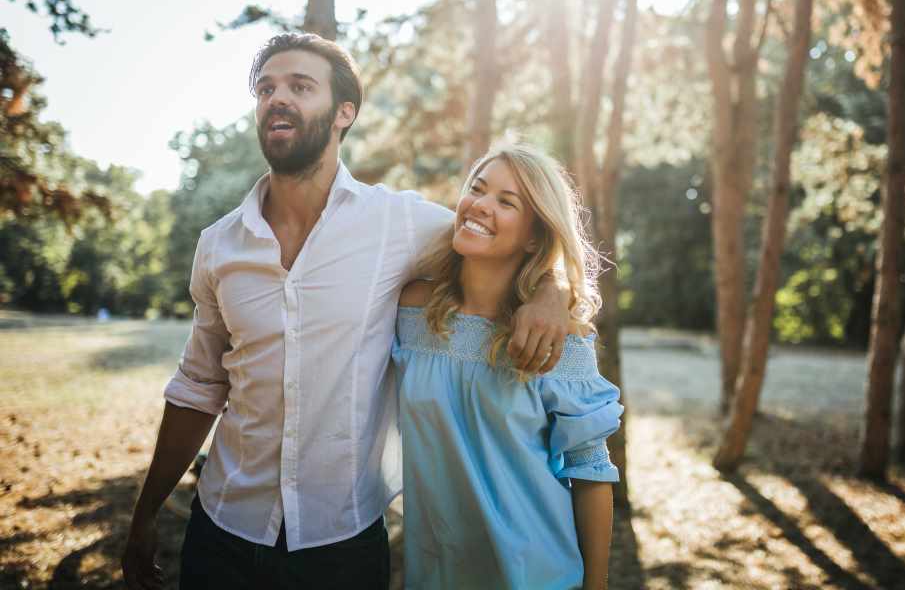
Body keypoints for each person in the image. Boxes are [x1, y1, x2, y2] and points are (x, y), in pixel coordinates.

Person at [121, 34, 572, 590]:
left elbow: (500, 239)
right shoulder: (219, 245)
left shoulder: (396, 223)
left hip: (343, 547)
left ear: (344, 112)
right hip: (222, 531)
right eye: (266, 89)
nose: (277, 98)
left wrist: (550, 290)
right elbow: (198, 386)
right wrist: (145, 513)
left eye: (300, 87)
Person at [393, 142, 623, 589]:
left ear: (534, 236)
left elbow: (590, 469)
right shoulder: (410, 310)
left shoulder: (558, 336)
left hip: (536, 574)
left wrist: (596, 586)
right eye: (477, 189)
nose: (481, 205)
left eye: (506, 201)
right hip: (436, 572)